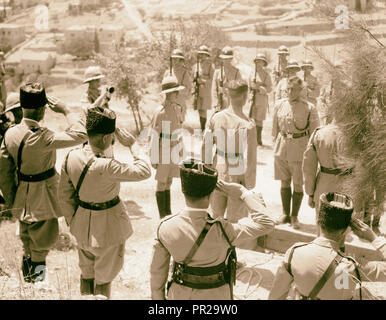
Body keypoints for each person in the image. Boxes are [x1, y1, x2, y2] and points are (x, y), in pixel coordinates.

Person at [58, 106, 151, 299]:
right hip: (107, 227)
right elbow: (144, 171)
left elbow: (64, 196)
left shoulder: (71, 156)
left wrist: (73, 221)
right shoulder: (106, 165)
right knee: (104, 277)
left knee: (86, 272)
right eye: (111, 137)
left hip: (81, 223)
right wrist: (133, 145)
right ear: (104, 138)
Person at [150, 158, 275, 300]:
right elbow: (267, 222)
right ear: (211, 195)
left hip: (180, 295)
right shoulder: (223, 230)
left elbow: (157, 274)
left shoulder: (165, 227)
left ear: (183, 191)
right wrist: (243, 192)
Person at [0, 82, 87, 283]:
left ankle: (29, 286)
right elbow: (81, 134)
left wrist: (14, 202)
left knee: (28, 245)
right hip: (44, 198)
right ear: (42, 110)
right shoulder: (43, 136)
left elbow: (4, 172)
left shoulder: (10, 134)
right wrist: (66, 110)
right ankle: (37, 286)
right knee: (41, 248)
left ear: (22, 107)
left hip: (22, 197)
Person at [269, 192, 386, 300]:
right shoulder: (353, 266)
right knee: (363, 292)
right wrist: (374, 238)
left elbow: (276, 296)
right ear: (347, 230)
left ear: (319, 222)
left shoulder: (294, 253)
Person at [202, 79, 257, 224]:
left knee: (215, 216)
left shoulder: (216, 117)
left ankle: (215, 246)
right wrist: (250, 183)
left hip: (217, 167)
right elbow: (251, 157)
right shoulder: (248, 124)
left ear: (228, 96)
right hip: (237, 168)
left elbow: (206, 146)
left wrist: (207, 170)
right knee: (236, 220)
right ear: (245, 96)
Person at [272, 76, 320, 229]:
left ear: (300, 90)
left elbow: (314, 135)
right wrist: (276, 144)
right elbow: (275, 129)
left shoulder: (309, 108)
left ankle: (294, 217)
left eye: (293, 89)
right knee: (284, 180)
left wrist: (312, 155)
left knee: (298, 184)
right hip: (282, 147)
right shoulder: (279, 105)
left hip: (299, 149)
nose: (289, 92)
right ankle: (285, 214)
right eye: (288, 88)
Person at [302, 119, 355, 228]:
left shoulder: (320, 133)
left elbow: (309, 168)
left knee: (322, 227)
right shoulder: (356, 133)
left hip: (324, 186)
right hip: (348, 187)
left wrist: (310, 193)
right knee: (343, 228)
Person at [151, 75, 185, 218]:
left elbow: (179, 129)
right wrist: (153, 157)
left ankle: (168, 213)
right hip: (163, 148)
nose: (177, 94)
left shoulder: (177, 109)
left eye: (177, 91)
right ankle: (162, 215)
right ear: (168, 94)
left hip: (174, 148)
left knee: (169, 181)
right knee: (161, 182)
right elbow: (154, 136)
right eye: (174, 91)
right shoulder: (160, 112)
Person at [248, 53, 273, 146]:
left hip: (261, 99)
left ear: (264, 63)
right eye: (257, 61)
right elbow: (248, 86)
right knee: (252, 119)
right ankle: (252, 138)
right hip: (252, 98)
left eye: (260, 61)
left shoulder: (266, 75)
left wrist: (259, 88)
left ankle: (258, 139)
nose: (258, 63)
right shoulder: (252, 73)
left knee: (259, 119)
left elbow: (269, 89)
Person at [164, 49, 192, 123]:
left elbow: (188, 89)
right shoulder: (167, 72)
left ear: (180, 60)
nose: (175, 61)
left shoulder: (184, 73)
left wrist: (176, 90)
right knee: (166, 127)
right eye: (173, 59)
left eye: (177, 59)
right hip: (168, 103)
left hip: (179, 103)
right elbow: (163, 89)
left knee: (177, 128)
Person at [211, 46, 242, 113]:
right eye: (224, 59)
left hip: (232, 103)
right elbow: (214, 90)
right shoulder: (217, 72)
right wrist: (216, 103)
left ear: (231, 59)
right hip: (220, 102)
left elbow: (240, 89)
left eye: (228, 59)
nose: (226, 61)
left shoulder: (236, 72)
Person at [192, 45, 215, 131]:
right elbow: (193, 78)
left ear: (207, 55)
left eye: (203, 54)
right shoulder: (196, 65)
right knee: (199, 109)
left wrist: (202, 81)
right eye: (200, 54)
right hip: (197, 90)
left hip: (205, 90)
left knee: (203, 109)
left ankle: (203, 128)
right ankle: (201, 127)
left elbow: (212, 79)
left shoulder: (210, 66)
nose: (201, 56)